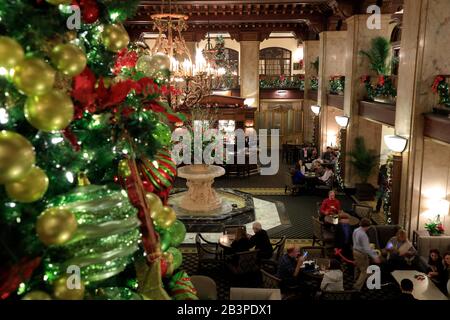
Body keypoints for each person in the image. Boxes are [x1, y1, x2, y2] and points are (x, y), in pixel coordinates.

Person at [352, 218, 381, 291]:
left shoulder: (356, 230)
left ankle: (357, 279)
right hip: (361, 254)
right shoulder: (363, 235)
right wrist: (375, 257)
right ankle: (357, 287)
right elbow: (367, 249)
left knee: (358, 267)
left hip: (355, 251)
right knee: (364, 271)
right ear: (367, 226)